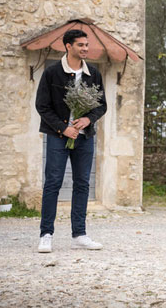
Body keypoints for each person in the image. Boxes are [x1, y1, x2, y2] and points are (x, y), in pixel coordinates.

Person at [36, 29, 107, 253]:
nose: (85, 48)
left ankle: (80, 234)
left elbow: (102, 104)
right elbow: (42, 106)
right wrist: (63, 127)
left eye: (87, 45)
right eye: (81, 45)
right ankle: (46, 234)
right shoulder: (52, 73)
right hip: (58, 136)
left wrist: (88, 118)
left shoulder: (93, 74)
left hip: (84, 138)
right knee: (53, 183)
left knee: (83, 184)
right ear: (68, 46)